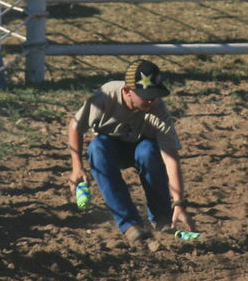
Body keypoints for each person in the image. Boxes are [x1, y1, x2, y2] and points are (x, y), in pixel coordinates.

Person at [67, 59, 196, 245]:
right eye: (147, 96)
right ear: (127, 91)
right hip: (111, 146)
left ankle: (163, 220)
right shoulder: (105, 96)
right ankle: (130, 225)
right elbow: (75, 126)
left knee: (149, 151)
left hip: (143, 148)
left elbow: (171, 159)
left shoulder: (158, 110)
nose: (152, 100)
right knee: (97, 148)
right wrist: (77, 167)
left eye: (155, 95)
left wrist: (179, 204)